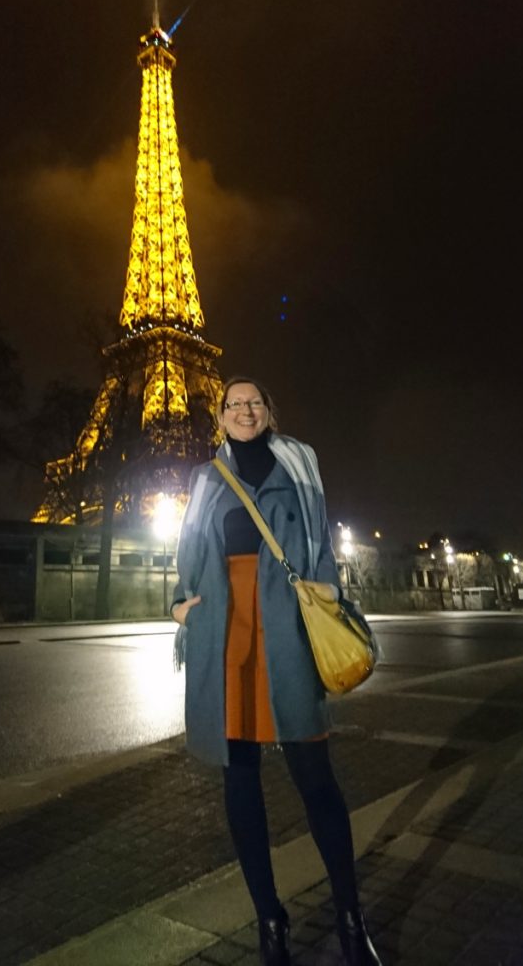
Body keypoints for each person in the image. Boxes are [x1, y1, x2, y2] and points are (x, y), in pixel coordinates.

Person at [171, 376, 383, 966]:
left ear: (269, 412)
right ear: (220, 415)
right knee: (240, 784)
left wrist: (327, 601)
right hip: (226, 631)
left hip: (287, 627)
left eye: (253, 402)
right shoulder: (206, 477)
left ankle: (348, 915)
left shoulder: (301, 463)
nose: (244, 410)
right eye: (233, 403)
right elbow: (188, 554)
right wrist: (180, 603)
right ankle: (271, 922)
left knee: (316, 779)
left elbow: (319, 550)